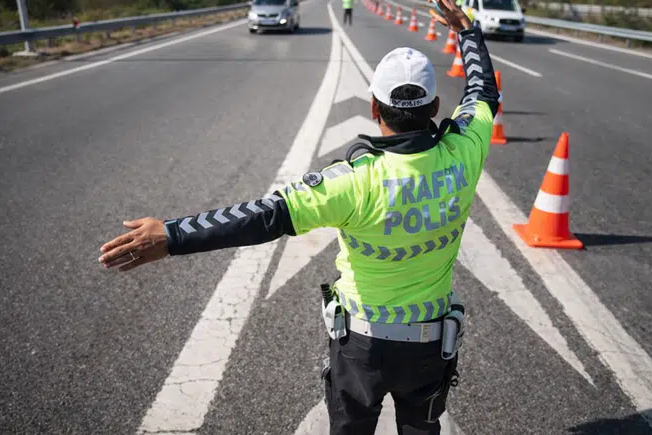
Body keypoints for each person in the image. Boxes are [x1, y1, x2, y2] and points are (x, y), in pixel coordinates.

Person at [97, 0, 499, 433]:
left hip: (361, 347)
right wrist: (467, 30)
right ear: (435, 106)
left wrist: (172, 235)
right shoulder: (464, 152)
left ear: (373, 108)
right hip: (430, 346)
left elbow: (263, 216)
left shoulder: (352, 182)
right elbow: (482, 93)